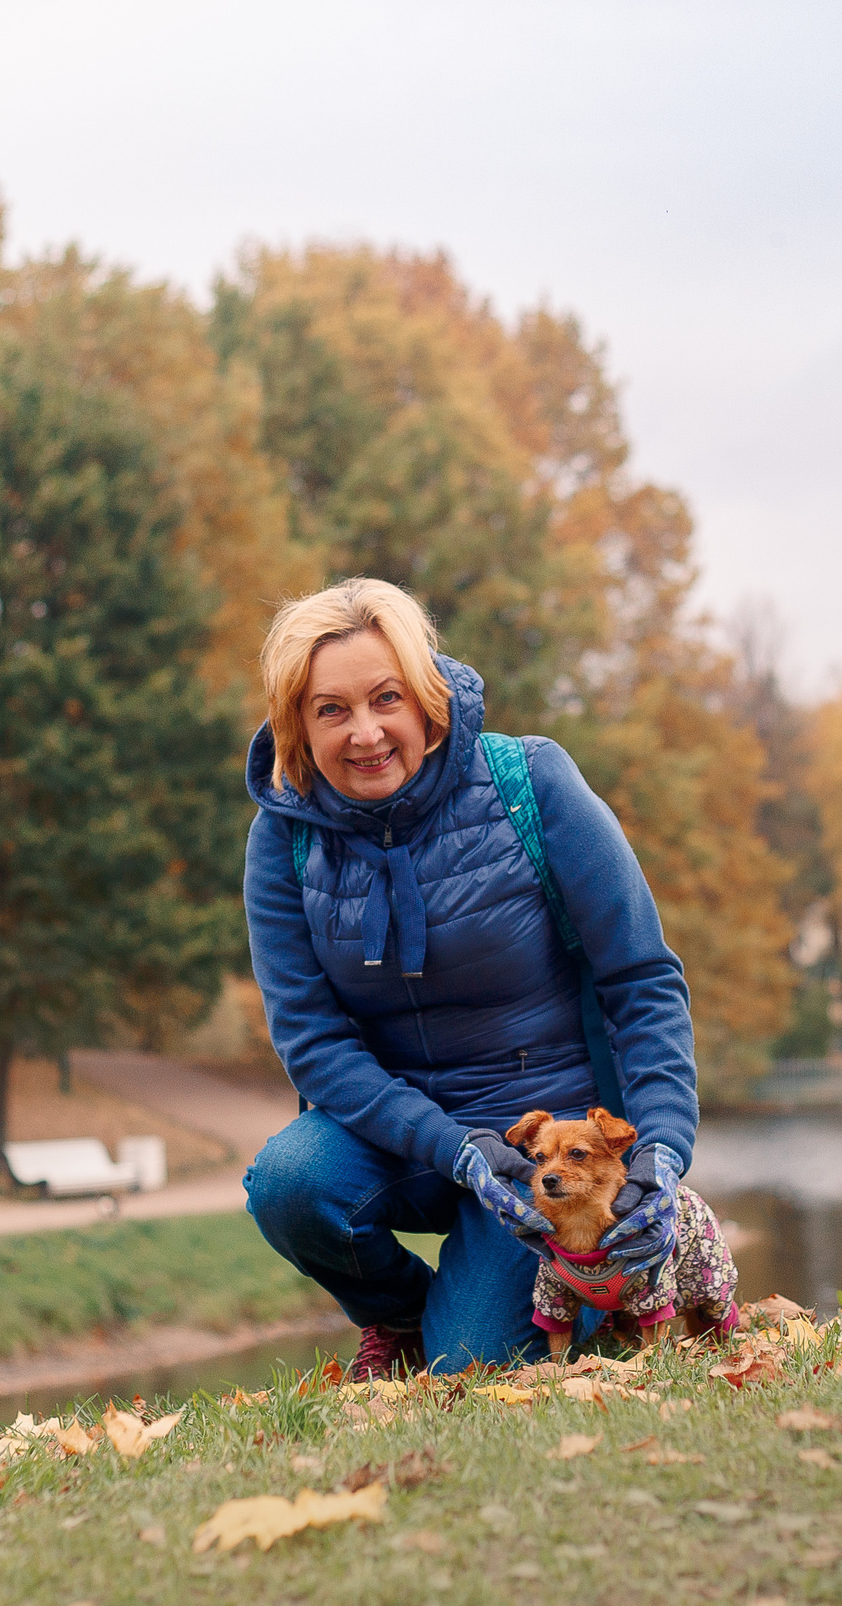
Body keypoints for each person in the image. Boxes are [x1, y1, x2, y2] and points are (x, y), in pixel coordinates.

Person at [240, 578, 698, 1377]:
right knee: (287, 1182)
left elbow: (642, 979)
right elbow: (312, 1042)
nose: (367, 732)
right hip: (398, 1136)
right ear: (297, 726)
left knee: (473, 1370)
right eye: (332, 709)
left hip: (541, 1149)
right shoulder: (282, 839)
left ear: (429, 698)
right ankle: (399, 1317)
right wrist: (454, 1149)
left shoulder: (534, 785)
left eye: (387, 697)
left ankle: (508, 1311)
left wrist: (660, 1154)